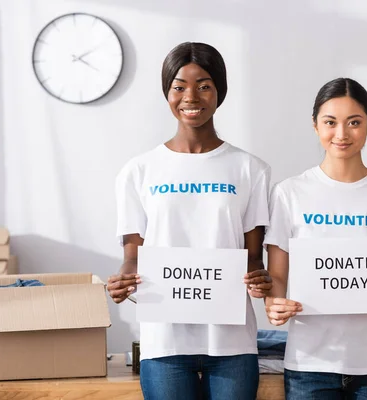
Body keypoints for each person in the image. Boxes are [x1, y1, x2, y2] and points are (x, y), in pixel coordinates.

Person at [107, 42, 272, 400]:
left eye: (204, 85)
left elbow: (253, 256)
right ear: (167, 91)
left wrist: (261, 279)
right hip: (165, 343)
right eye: (179, 86)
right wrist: (124, 281)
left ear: (219, 92)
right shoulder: (138, 171)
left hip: (231, 343)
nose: (190, 96)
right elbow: (134, 255)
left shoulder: (251, 170)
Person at [264, 77, 367, 399]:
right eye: (330, 122)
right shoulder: (289, 193)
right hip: (309, 364)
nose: (341, 134)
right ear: (315, 126)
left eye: (354, 122)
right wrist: (273, 303)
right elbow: (277, 276)